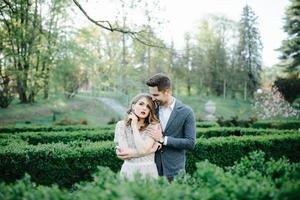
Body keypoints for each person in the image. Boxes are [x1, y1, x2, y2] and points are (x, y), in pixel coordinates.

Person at [146, 73, 196, 181]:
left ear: (167, 92)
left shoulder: (186, 112)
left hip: (175, 171)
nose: (152, 98)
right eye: (151, 95)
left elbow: (190, 143)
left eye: (156, 95)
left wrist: (163, 140)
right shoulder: (151, 110)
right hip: (152, 169)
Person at [114, 93, 162, 180]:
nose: (144, 108)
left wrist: (134, 127)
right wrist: (151, 150)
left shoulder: (154, 126)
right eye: (141, 104)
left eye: (148, 107)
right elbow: (125, 153)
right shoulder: (121, 125)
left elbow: (142, 149)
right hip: (128, 169)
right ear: (133, 106)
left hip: (148, 170)